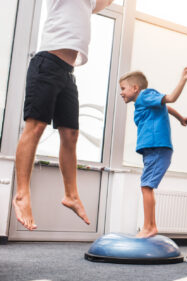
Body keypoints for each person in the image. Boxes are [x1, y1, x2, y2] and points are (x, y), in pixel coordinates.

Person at [13, 0, 114, 230]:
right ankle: (21, 194)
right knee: (36, 127)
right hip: (46, 64)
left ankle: (71, 195)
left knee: (71, 134)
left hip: (68, 73)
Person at [119, 70, 187, 238]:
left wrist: (183, 79)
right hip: (153, 149)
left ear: (135, 88)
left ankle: (149, 227)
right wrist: (180, 118)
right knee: (147, 186)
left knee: (146, 187)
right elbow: (166, 106)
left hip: (157, 147)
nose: (121, 92)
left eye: (123, 88)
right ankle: (150, 226)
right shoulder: (144, 101)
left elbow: (170, 98)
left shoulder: (145, 95)